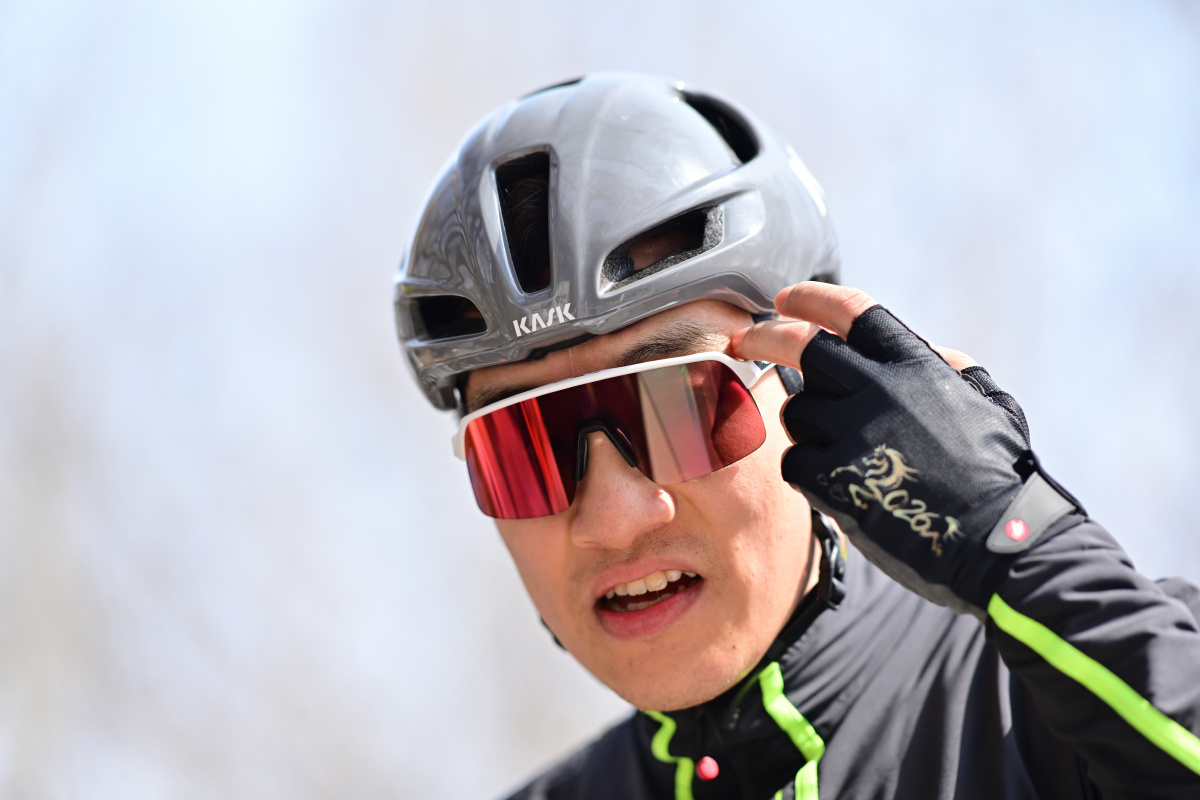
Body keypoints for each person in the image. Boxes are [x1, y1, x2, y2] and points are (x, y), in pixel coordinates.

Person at [393, 73, 1200, 799]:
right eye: (522, 449)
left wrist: (1014, 539)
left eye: (680, 406)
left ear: (812, 388)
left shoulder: (1060, 720)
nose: (613, 518)